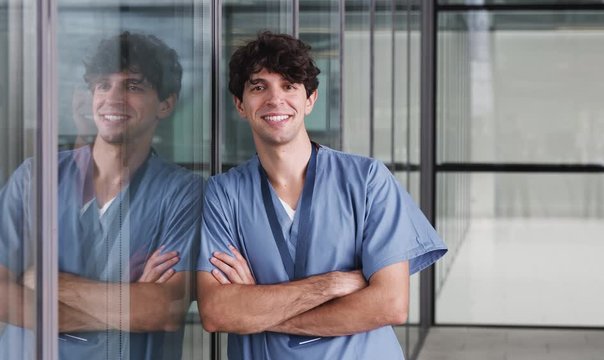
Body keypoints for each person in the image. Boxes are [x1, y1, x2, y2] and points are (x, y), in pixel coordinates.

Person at [197, 31, 447, 359]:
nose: (275, 100)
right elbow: (217, 312)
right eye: (259, 87)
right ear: (240, 105)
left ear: (310, 99)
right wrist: (329, 286)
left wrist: (257, 308)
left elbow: (390, 305)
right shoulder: (223, 193)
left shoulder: (367, 180)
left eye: (289, 86)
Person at [0, 31, 202, 360]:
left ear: (166, 103)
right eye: (103, 85)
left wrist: (47, 281)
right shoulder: (36, 178)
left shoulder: (181, 193)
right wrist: (128, 302)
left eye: (133, 86)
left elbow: (162, 309)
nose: (113, 98)